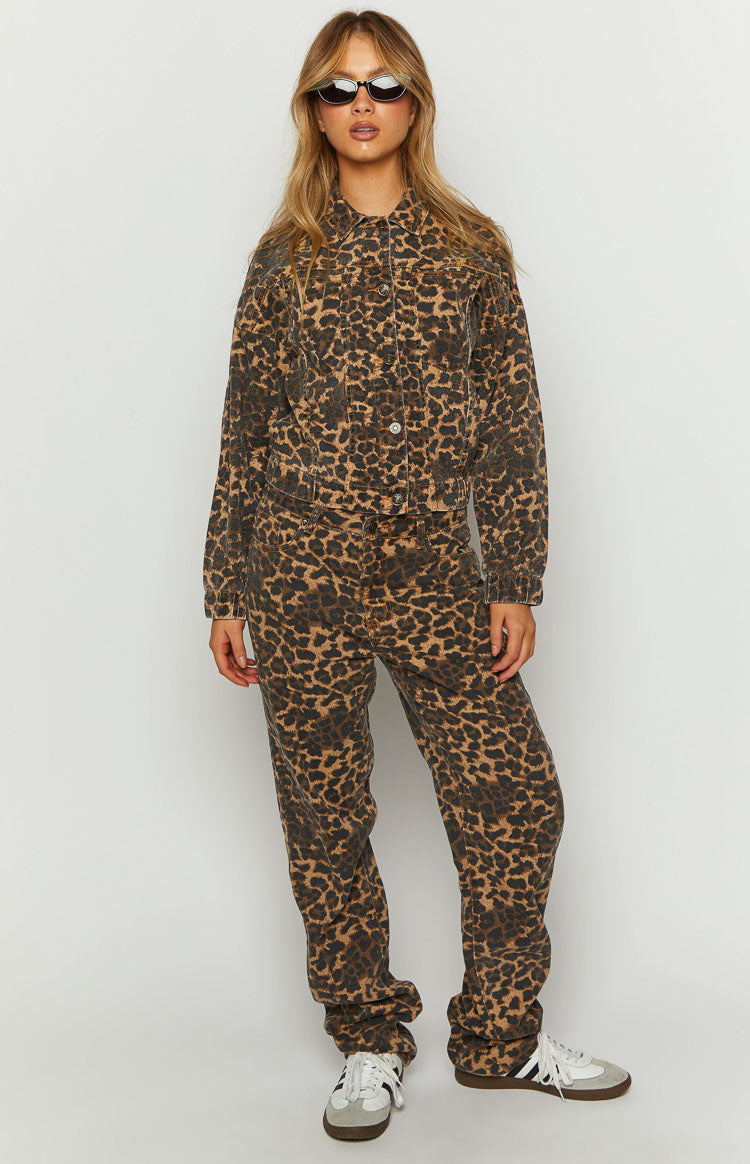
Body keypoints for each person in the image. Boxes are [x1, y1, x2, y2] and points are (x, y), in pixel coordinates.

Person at [202, 8, 631, 1143]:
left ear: (416, 103)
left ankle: (500, 1038)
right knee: (325, 815)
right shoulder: (283, 258)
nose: (363, 106)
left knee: (517, 802)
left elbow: (513, 423)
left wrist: (515, 573)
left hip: (439, 575)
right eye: (339, 88)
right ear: (313, 109)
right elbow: (246, 427)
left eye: (384, 85)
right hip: (299, 572)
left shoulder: (472, 248)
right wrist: (227, 587)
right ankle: (367, 1039)